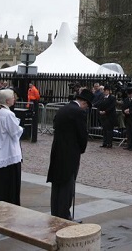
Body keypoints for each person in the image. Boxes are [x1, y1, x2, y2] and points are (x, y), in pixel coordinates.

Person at [47, 88, 91, 220]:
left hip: (57, 149)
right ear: (84, 103)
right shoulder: (78, 112)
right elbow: (82, 134)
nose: (86, 108)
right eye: (87, 106)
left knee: (57, 184)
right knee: (67, 185)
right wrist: (81, 149)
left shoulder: (63, 108)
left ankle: (56, 212)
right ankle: (64, 215)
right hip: (70, 152)